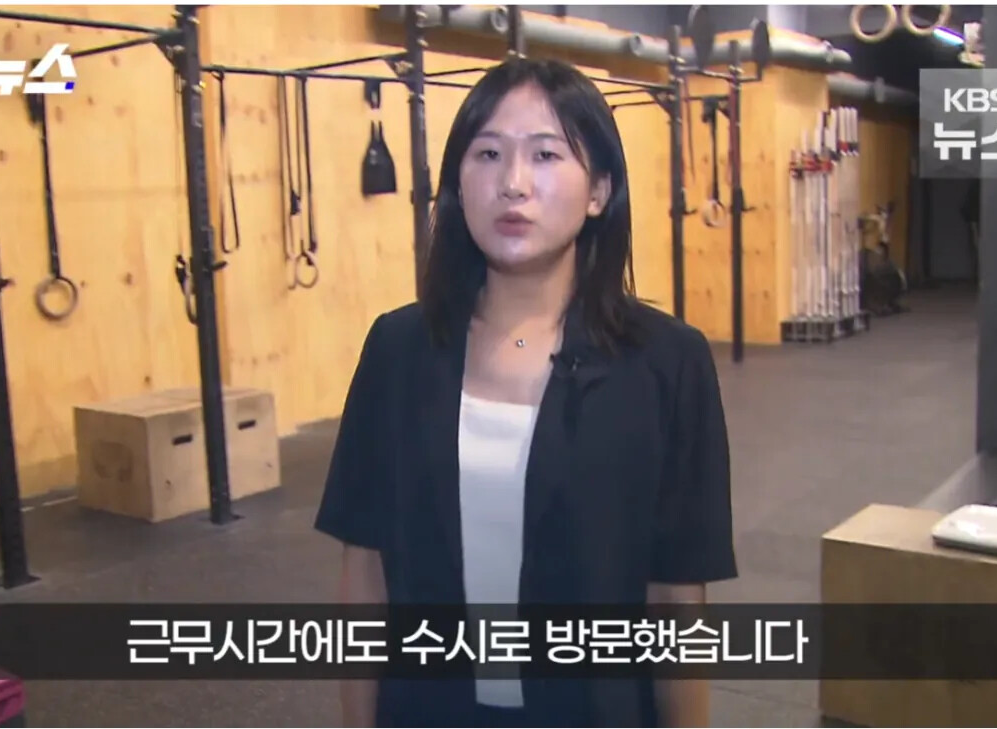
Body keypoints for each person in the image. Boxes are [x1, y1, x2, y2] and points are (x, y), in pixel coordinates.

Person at [314, 56, 737, 727]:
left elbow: (677, 598)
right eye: (488, 154)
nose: (513, 183)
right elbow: (365, 575)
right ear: (458, 184)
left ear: (598, 190)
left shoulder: (666, 362)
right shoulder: (398, 350)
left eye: (545, 154)